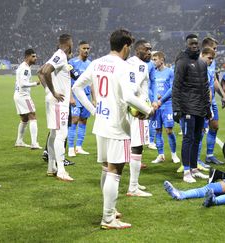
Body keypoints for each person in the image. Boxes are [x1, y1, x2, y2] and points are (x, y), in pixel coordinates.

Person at [72, 29, 154, 229]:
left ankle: (109, 210)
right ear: (126, 46)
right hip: (118, 126)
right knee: (115, 171)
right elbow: (128, 97)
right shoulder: (123, 66)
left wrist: (93, 110)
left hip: (101, 123)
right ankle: (108, 218)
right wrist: (148, 110)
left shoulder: (97, 62)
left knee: (105, 169)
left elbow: (77, 88)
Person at [172, 33, 211, 183]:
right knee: (188, 139)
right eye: (191, 44)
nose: (194, 46)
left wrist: (207, 108)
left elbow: (205, 87)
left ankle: (194, 168)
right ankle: (186, 171)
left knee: (197, 138)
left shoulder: (202, 63)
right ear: (187, 45)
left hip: (200, 108)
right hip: (187, 107)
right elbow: (176, 86)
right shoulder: (182, 61)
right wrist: (176, 108)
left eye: (196, 44)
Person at [37, 34, 74, 181]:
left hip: (55, 101)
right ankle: (61, 171)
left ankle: (51, 167)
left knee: (53, 134)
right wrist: (53, 92)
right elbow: (45, 71)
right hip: (59, 102)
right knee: (61, 134)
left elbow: (40, 71)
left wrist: (47, 90)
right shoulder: (61, 55)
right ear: (69, 44)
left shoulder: (56, 55)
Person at [125, 39, 156, 197]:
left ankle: (135, 183)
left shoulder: (132, 62)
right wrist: (146, 108)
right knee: (137, 146)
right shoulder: (139, 65)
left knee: (135, 146)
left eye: (151, 49)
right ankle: (132, 187)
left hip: (133, 110)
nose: (150, 52)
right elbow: (133, 88)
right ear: (138, 51)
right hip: (137, 111)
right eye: (147, 50)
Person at [150, 51, 180, 164]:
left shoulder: (170, 72)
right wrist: (154, 98)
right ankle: (160, 155)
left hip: (167, 105)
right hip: (156, 105)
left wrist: (161, 100)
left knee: (169, 130)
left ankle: (174, 154)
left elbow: (172, 89)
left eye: (155, 59)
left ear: (162, 60)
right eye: (152, 59)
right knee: (157, 130)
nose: (153, 62)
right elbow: (151, 88)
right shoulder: (153, 73)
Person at [201, 37, 225, 166]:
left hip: (212, 101)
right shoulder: (199, 62)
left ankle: (209, 155)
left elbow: (214, 80)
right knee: (201, 130)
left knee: (214, 126)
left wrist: (222, 95)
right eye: (214, 48)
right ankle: (197, 160)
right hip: (203, 101)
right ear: (206, 47)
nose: (216, 51)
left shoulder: (213, 61)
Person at [67, 41, 92, 157]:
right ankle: (71, 148)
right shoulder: (72, 62)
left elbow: (92, 83)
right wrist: (70, 97)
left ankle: (79, 147)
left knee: (84, 120)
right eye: (84, 48)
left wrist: (94, 98)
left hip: (86, 97)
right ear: (79, 49)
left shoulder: (91, 64)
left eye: (88, 48)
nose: (86, 50)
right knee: (74, 120)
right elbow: (67, 81)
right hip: (75, 96)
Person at [13, 48, 42, 149]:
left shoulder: (23, 67)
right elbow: (22, 84)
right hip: (23, 96)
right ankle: (34, 143)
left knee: (24, 119)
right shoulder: (25, 68)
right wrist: (36, 83)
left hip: (17, 95)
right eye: (33, 56)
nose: (35, 58)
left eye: (35, 56)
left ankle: (19, 141)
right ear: (27, 57)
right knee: (33, 116)